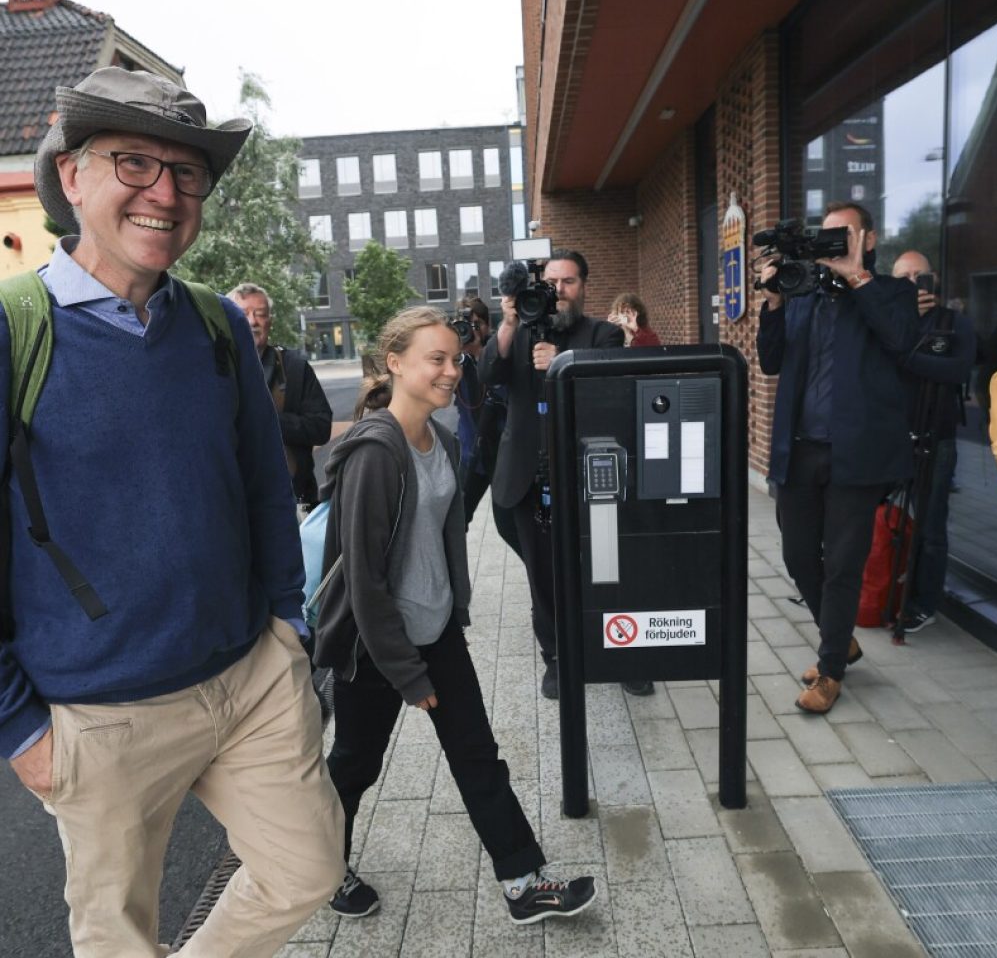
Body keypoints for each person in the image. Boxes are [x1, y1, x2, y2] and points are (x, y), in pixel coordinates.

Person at [0, 68, 345, 958]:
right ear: (72, 177)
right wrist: (21, 730)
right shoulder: (13, 330)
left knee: (306, 869)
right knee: (118, 939)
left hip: (249, 679)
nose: (165, 192)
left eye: (186, 172)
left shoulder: (217, 325)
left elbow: (266, 485)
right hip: (100, 715)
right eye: (134, 162)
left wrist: (285, 625)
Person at [312, 306, 597, 924]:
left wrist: (453, 611)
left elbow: (444, 536)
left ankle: (524, 882)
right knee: (356, 764)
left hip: (435, 631)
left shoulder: (437, 439)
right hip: (378, 645)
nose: (450, 371)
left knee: (477, 755)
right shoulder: (374, 453)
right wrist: (407, 674)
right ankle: (320, 868)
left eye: (454, 359)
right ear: (395, 363)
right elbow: (364, 581)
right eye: (434, 359)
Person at [756, 202, 918, 714]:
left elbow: (902, 341)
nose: (831, 245)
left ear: (867, 239)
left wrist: (858, 278)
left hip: (856, 455)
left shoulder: (892, 292)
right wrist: (776, 303)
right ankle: (840, 638)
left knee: (843, 564)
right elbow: (770, 359)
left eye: (842, 236)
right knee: (798, 554)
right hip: (801, 450)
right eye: (824, 237)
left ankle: (830, 672)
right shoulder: (803, 293)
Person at [479, 249, 653, 700]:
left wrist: (564, 361)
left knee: (609, 570)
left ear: (584, 286)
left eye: (569, 282)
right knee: (544, 576)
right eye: (551, 282)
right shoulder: (517, 332)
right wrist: (509, 322)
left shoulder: (604, 334)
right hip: (527, 476)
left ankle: (621, 652)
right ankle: (556, 656)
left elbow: (613, 396)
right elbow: (487, 374)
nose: (558, 291)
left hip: (588, 480)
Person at [892, 250, 976, 632]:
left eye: (918, 275)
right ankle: (882, 587)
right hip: (889, 437)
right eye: (903, 276)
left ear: (933, 279)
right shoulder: (890, 323)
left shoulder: (954, 322)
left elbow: (957, 370)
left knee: (930, 527)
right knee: (880, 520)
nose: (912, 283)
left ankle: (924, 602)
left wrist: (906, 359)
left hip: (936, 439)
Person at [227, 282, 333, 509]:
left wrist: (267, 418)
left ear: (270, 322)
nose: (252, 321)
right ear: (228, 320)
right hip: (232, 504)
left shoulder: (295, 368)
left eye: (260, 314)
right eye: (243, 314)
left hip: (293, 502)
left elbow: (321, 427)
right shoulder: (213, 370)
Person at [453, 296, 522, 558]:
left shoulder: (500, 351)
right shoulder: (457, 361)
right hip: (472, 456)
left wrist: (482, 352)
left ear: (485, 325)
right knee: (456, 521)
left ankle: (546, 585)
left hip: (502, 457)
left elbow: (509, 396)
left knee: (508, 526)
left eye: (474, 324)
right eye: (462, 325)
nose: (468, 330)